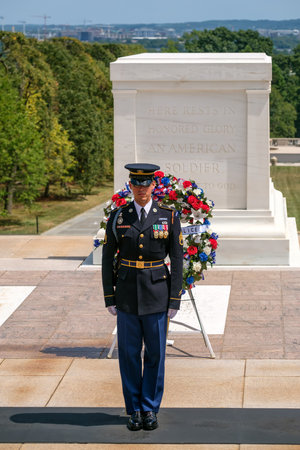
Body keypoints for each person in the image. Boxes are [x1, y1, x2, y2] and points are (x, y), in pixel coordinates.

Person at [102, 163, 183, 431]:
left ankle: (149, 408)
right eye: (136, 184)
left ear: (153, 187)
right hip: (126, 294)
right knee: (128, 353)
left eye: (145, 184)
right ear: (130, 186)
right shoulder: (119, 216)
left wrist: (174, 299)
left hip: (157, 293)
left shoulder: (168, 217)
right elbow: (107, 259)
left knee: (156, 354)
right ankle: (134, 408)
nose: (141, 189)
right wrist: (109, 296)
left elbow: (178, 260)